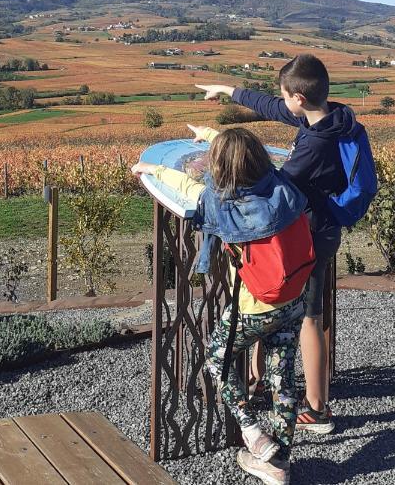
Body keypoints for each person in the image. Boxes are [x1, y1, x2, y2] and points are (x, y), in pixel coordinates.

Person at [198, 53, 367, 434]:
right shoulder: (332, 118)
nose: (282, 103)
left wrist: (221, 153)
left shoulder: (315, 143)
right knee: (290, 308)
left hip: (307, 237)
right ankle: (264, 381)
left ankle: (317, 407)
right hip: (319, 230)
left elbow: (275, 185)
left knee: (307, 315)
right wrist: (227, 90)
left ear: (300, 99)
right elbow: (271, 106)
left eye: (286, 96)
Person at [133, 125, 311, 485]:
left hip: (255, 304)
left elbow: (189, 189)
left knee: (217, 359)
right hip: (295, 295)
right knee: (283, 376)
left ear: (222, 170)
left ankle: (252, 433)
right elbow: (242, 155)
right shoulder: (282, 188)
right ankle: (280, 464)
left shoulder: (223, 205)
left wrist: (149, 170)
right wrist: (215, 135)